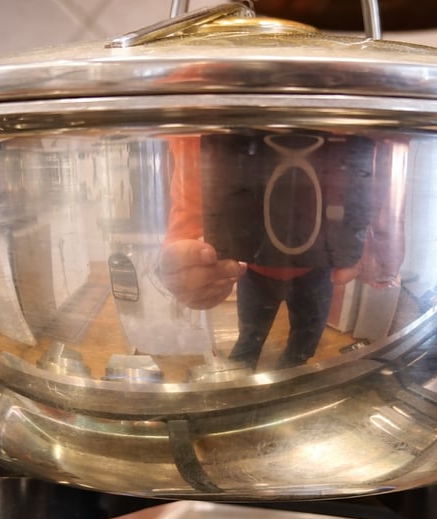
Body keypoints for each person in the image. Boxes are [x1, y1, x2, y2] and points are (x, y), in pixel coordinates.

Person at [156, 133, 402, 368]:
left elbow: (381, 150)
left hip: (308, 269)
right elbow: (196, 151)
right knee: (250, 344)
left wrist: (384, 224)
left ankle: (284, 378)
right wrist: (186, 257)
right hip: (262, 269)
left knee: (298, 347)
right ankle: (264, 378)